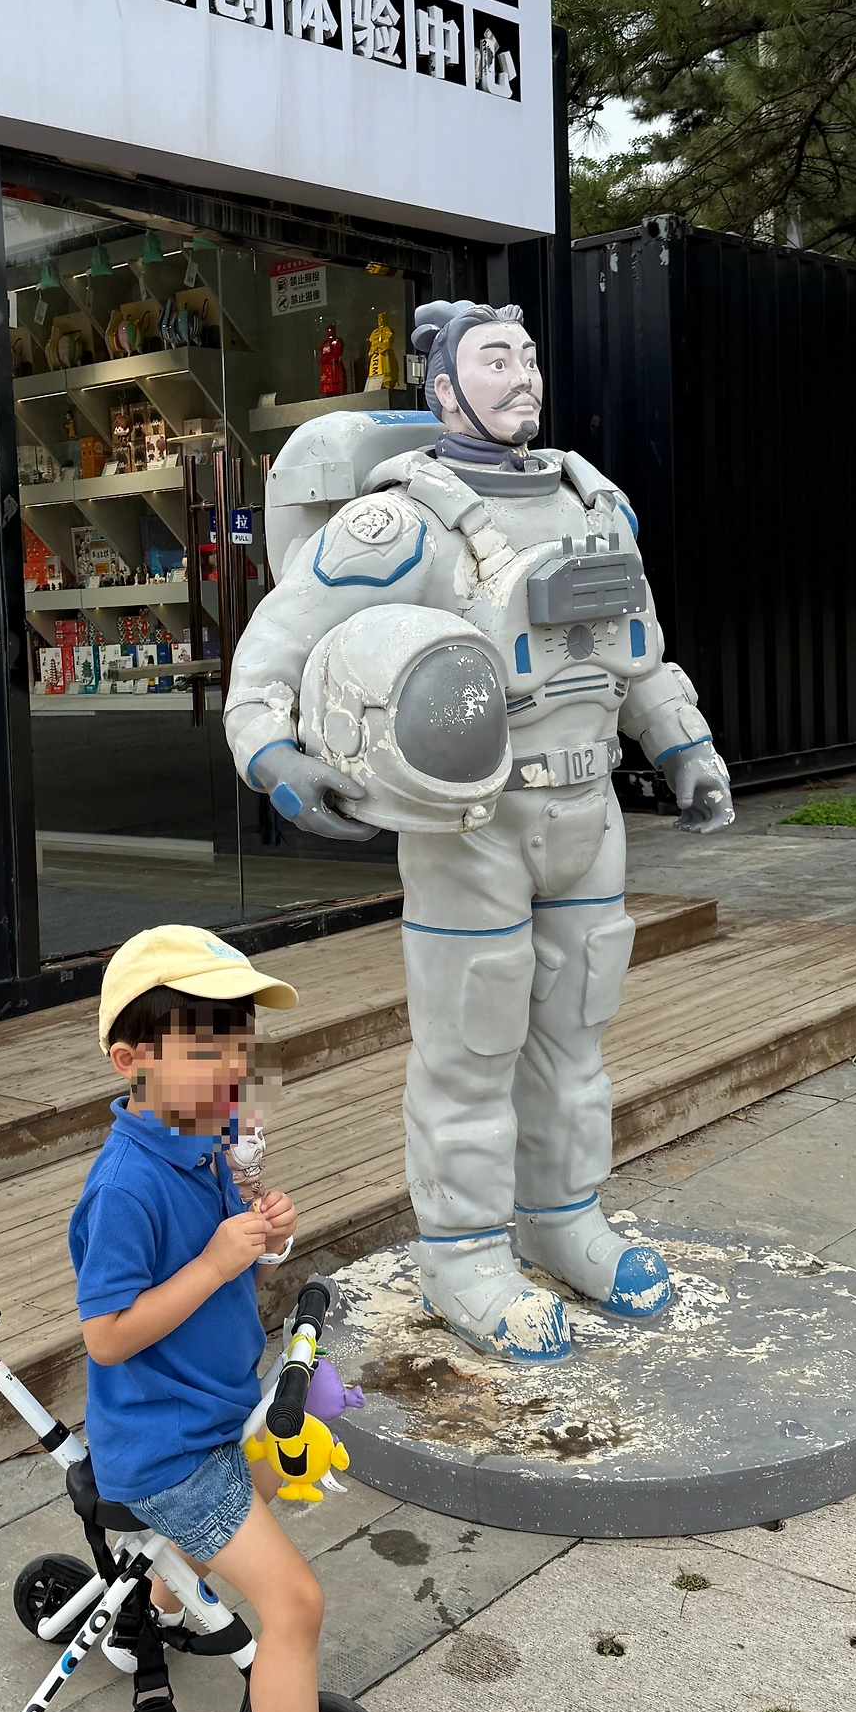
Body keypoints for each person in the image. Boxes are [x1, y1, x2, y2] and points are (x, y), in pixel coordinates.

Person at [224, 300, 734, 1363]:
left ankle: (564, 1219)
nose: (522, 376)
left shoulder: (593, 501)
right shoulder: (400, 523)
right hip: (471, 826)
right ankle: (460, 1254)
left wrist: (681, 744)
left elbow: (633, 651)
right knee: (471, 1047)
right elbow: (275, 646)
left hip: (590, 813)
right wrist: (275, 758)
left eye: (528, 357)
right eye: (495, 359)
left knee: (574, 1038)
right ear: (445, 388)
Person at [69, 924, 440, 1712]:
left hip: (222, 1405)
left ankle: (155, 1602)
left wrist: (264, 1234)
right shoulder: (124, 1185)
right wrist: (218, 1260)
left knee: (270, 1475)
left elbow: (228, 1255)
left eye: (236, 1043)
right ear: (131, 1060)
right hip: (168, 1447)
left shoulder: (203, 1138)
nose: (230, 1066)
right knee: (295, 1605)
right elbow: (106, 1335)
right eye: (204, 1047)